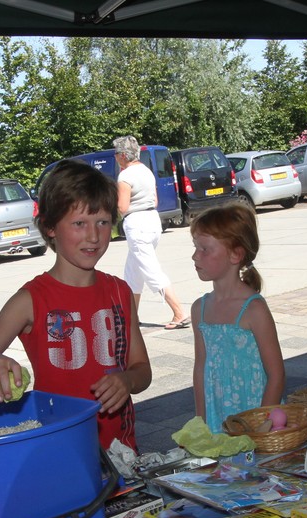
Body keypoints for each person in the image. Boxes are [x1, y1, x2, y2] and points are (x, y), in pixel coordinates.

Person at [0, 160, 152, 451]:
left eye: (102, 222)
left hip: (120, 451)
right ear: (50, 227)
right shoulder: (30, 300)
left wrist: (128, 381)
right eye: (79, 223)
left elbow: (142, 369)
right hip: (59, 451)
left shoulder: (119, 291)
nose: (94, 235)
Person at [188, 204, 285, 432]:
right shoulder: (199, 309)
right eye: (195, 247)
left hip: (255, 418)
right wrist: (201, 423)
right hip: (218, 419)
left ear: (235, 255)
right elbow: (200, 368)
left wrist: (261, 426)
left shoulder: (254, 310)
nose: (195, 256)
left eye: (205, 249)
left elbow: (276, 374)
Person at [113, 134, 190, 329]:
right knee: (133, 272)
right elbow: (154, 201)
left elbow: (122, 207)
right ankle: (131, 316)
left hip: (137, 224)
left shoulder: (125, 176)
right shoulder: (146, 171)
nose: (115, 156)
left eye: (116, 153)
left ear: (123, 155)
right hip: (152, 220)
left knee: (150, 269)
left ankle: (179, 313)